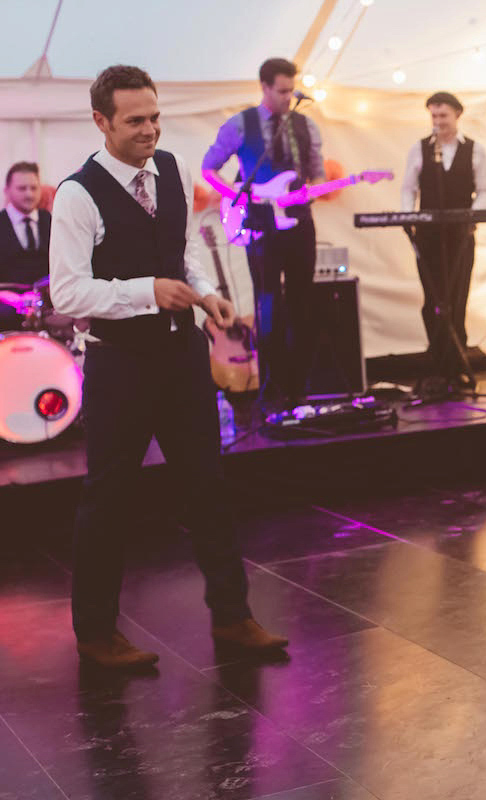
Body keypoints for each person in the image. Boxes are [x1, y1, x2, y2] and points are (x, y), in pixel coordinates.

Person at [50, 65, 287, 669]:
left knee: (207, 488)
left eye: (155, 117)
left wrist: (204, 294)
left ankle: (234, 617)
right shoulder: (78, 194)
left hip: (182, 356)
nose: (150, 129)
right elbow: (68, 294)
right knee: (109, 499)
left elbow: (185, 255)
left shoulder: (176, 171)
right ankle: (96, 634)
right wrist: (146, 292)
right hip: (119, 363)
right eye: (135, 121)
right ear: (101, 121)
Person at [202, 57, 325, 403]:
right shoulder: (240, 124)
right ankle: (270, 388)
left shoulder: (306, 125)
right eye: (282, 91)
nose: (289, 97)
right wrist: (239, 195)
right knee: (268, 302)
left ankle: (300, 388)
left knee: (302, 302)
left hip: (299, 222)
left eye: (291, 90)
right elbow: (209, 168)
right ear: (265, 87)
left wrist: (313, 187)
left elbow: (318, 172)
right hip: (260, 224)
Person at [400, 91, 486, 377]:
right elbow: (408, 188)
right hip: (428, 235)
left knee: (457, 296)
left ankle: (456, 362)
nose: (438, 121)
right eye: (434, 116)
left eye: (443, 115)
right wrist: (408, 216)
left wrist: (471, 217)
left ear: (457, 116)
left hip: (461, 235)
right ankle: (437, 358)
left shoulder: (475, 150)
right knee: (433, 298)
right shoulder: (420, 149)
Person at [1, 162, 52, 331]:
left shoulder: (52, 222)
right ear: (7, 190)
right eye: (22, 188)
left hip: (49, 314)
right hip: (6, 313)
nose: (29, 194)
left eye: (34, 188)